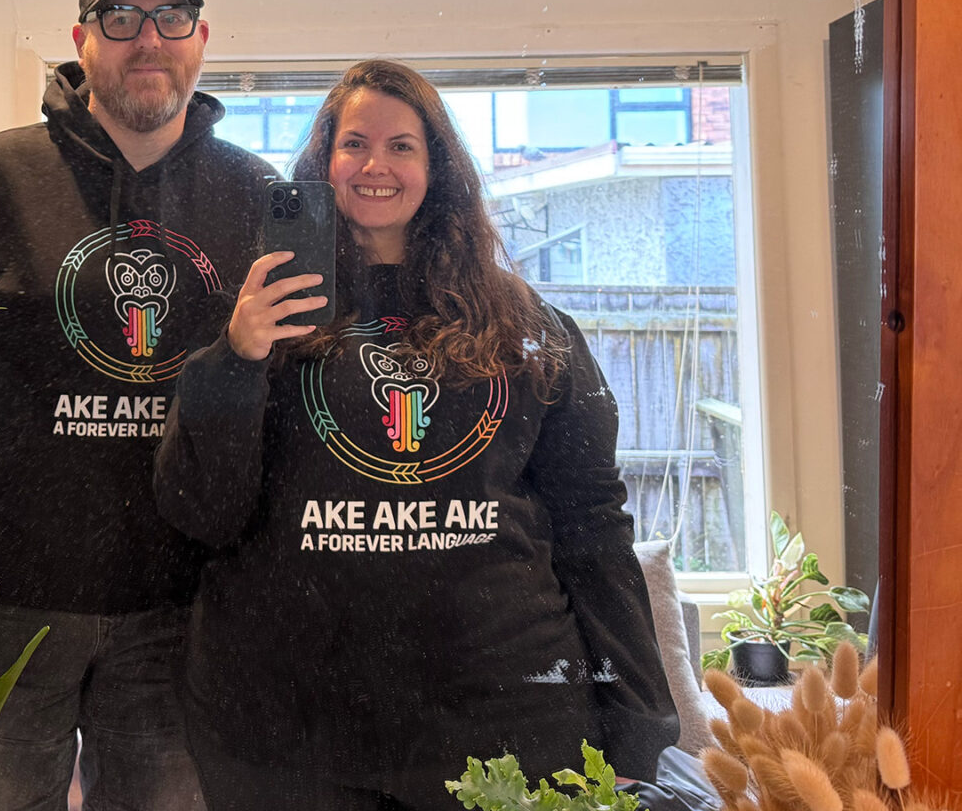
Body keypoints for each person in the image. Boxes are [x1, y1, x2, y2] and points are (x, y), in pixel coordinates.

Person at [153, 59, 683, 810]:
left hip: (502, 723)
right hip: (283, 732)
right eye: (355, 144)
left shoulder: (527, 327)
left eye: (403, 145)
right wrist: (238, 357)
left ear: (438, 169)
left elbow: (594, 527)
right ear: (322, 163)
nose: (376, 165)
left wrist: (637, 718)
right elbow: (202, 511)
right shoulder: (254, 318)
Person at [0, 0, 272, 811]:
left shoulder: (252, 195)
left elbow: (283, 394)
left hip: (184, 613)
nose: (148, 37)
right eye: (120, 16)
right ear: (82, 39)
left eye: (172, 16)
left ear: (203, 38)